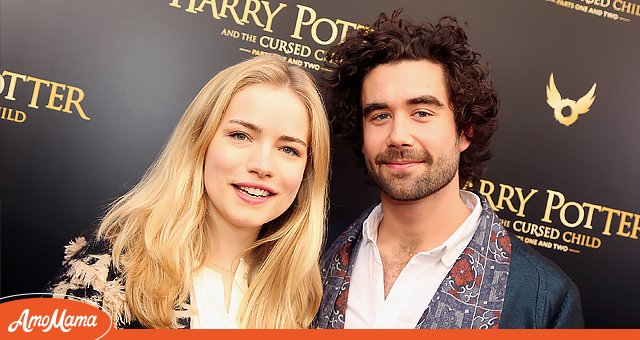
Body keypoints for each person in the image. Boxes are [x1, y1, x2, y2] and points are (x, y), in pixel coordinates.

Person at [315, 10, 584, 329]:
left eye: (422, 113)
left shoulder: (543, 298)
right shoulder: (314, 260)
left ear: (465, 131)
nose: (398, 136)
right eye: (380, 116)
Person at [46, 54, 330, 329]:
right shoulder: (108, 274)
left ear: (307, 172)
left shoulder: (301, 303)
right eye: (240, 135)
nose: (262, 165)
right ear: (199, 141)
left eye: (289, 149)